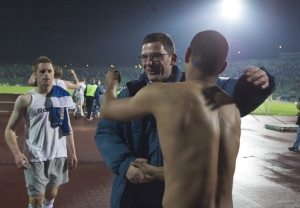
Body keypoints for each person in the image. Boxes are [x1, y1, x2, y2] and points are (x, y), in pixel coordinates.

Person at [94, 32, 276, 208]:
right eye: (144, 57)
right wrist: (139, 168)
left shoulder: (161, 94)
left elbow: (107, 109)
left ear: (180, 57)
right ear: (223, 66)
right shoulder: (229, 106)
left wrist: (112, 83)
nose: (148, 63)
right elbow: (203, 168)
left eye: (156, 56)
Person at [4, 56, 78, 208]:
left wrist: (72, 152)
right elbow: (9, 130)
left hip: (58, 155)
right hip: (36, 157)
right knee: (36, 201)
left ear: (53, 74)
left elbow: (67, 127)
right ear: (35, 75)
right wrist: (17, 153)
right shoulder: (26, 99)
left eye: (49, 71)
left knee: (51, 195)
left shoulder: (62, 96)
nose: (46, 74)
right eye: (42, 71)